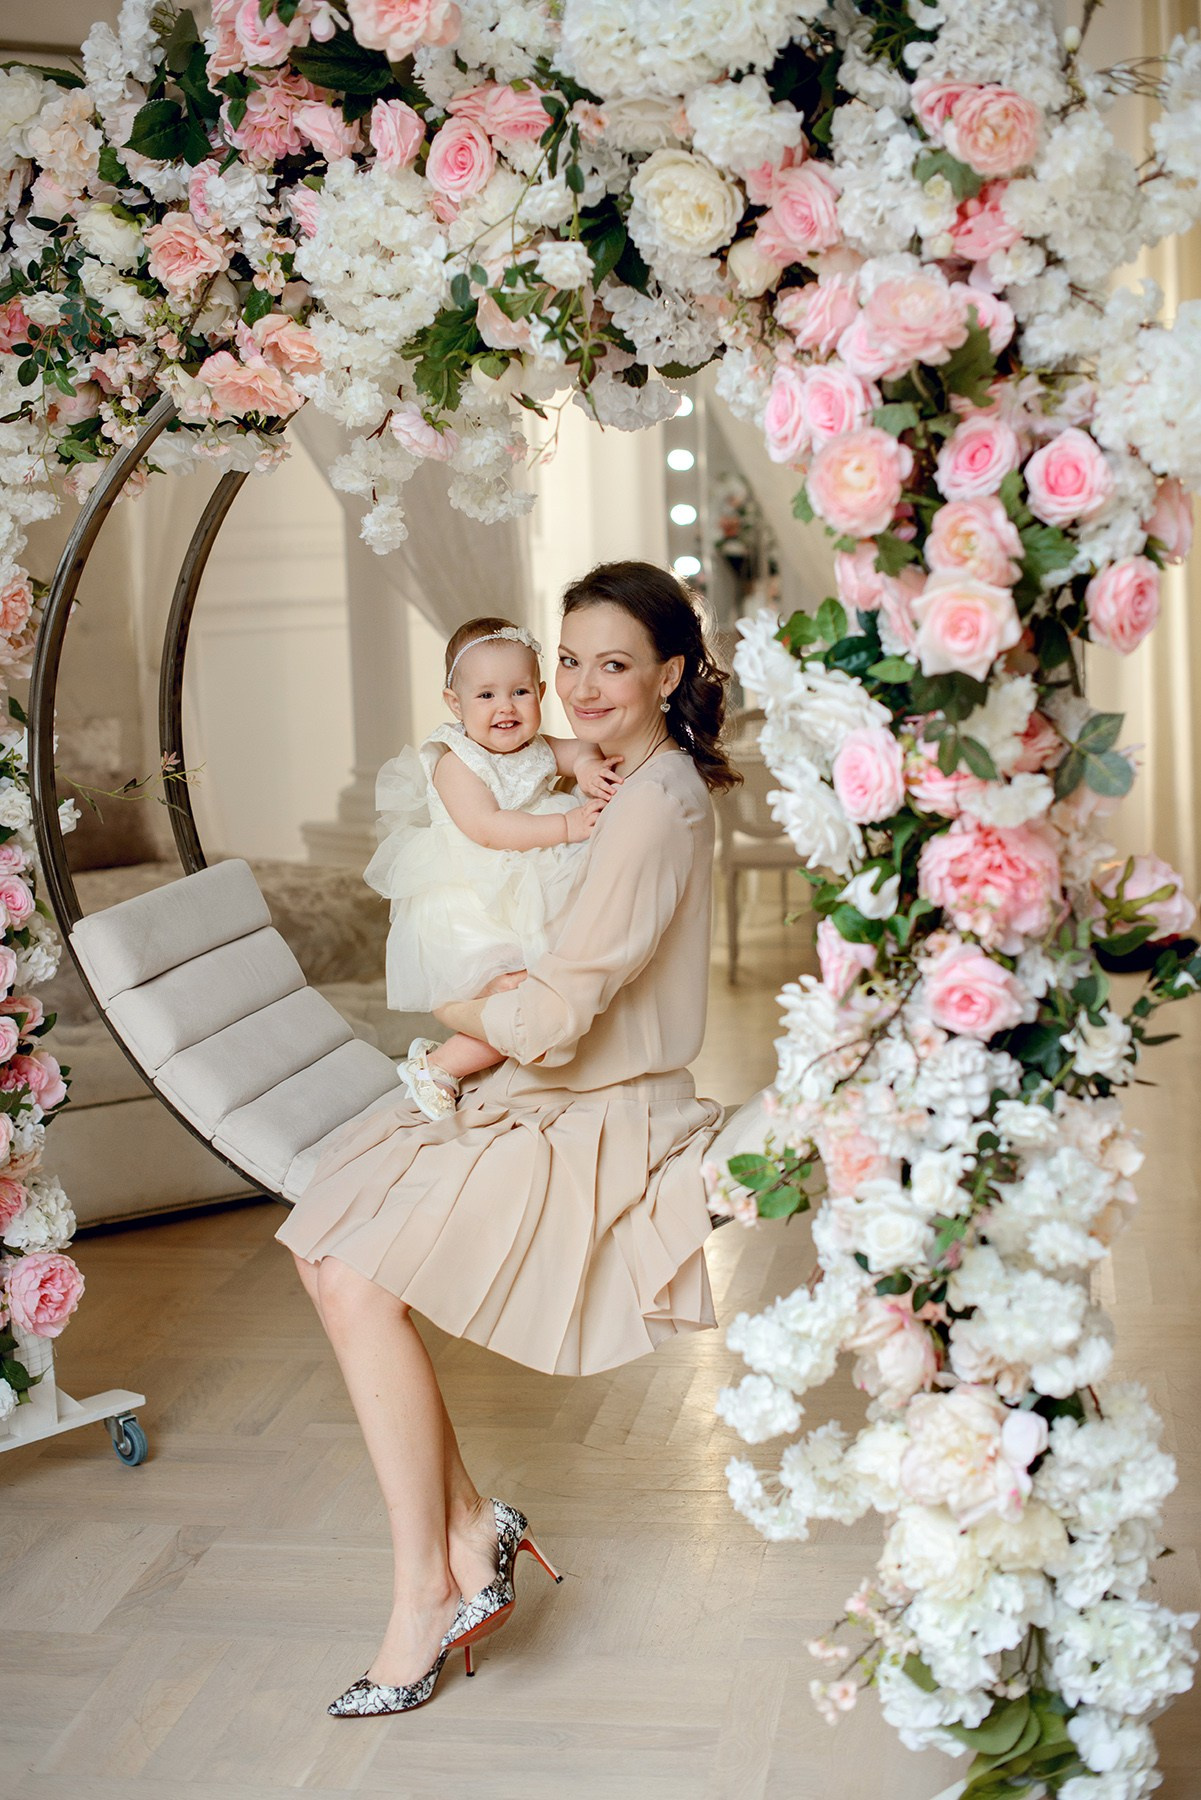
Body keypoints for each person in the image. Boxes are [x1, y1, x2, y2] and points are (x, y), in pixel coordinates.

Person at [274, 560, 740, 1719]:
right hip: (538, 1083)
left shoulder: (652, 804)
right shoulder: (613, 774)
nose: (578, 687)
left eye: (612, 664)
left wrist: (444, 1017)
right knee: (322, 1245)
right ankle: (471, 1532)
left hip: (590, 1108)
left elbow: (551, 1009)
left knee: (350, 1267)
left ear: (669, 672)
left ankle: (423, 1590)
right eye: (568, 660)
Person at [366, 616, 621, 1120]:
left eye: (520, 691)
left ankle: (496, 1071)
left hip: (528, 886)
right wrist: (567, 826)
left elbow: (578, 751)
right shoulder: (455, 760)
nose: (505, 706)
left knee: (548, 997)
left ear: (542, 693)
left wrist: (589, 766)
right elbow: (488, 828)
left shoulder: (539, 746)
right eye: (485, 696)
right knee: (522, 1002)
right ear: (455, 704)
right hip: (473, 899)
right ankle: (440, 1065)